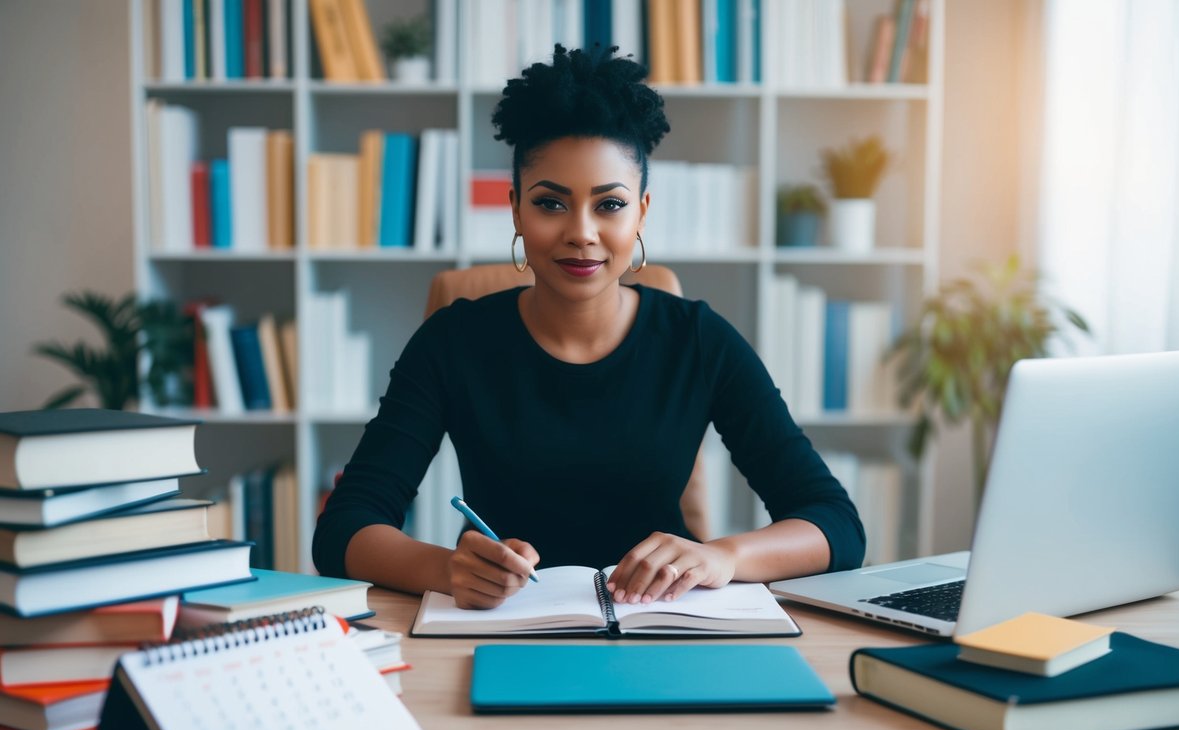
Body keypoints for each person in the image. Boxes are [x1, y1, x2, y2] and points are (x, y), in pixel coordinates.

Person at [313, 44, 864, 609]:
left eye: (610, 205)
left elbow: (834, 524)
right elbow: (344, 528)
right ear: (515, 210)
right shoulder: (454, 342)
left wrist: (724, 556)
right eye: (551, 204)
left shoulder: (697, 339)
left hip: (664, 627)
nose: (582, 232)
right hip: (501, 626)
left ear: (642, 212)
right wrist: (444, 568)